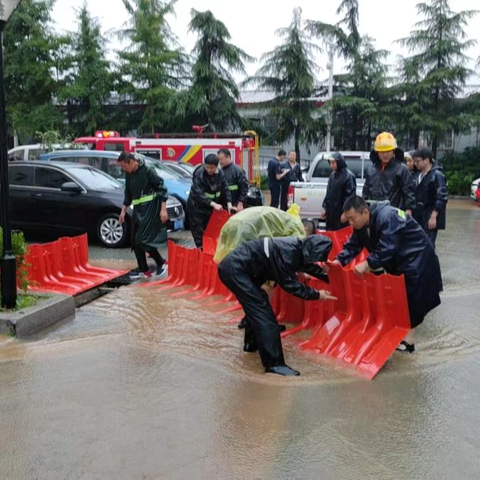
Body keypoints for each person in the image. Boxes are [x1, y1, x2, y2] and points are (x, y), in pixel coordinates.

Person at [331, 196, 443, 353]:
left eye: (352, 219)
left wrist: (368, 263)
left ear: (364, 212)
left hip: (418, 258)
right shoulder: (361, 225)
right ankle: (402, 338)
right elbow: (353, 245)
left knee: (412, 299)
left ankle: (408, 342)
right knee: (400, 299)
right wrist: (338, 260)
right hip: (402, 262)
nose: (350, 223)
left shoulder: (388, 216)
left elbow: (388, 247)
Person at [218, 235, 336, 376]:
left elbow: (302, 264)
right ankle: (274, 364)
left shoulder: (295, 246)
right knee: (264, 316)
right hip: (236, 271)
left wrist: (324, 274)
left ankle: (251, 344)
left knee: (256, 308)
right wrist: (317, 294)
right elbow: (289, 284)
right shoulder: (288, 251)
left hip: (238, 269)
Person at [117, 152, 169, 280]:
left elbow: (161, 188)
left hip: (151, 209)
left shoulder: (147, 170)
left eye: (124, 166)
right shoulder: (129, 175)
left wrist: (163, 209)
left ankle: (161, 262)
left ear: (131, 162)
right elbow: (128, 193)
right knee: (135, 241)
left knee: (142, 239)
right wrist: (123, 210)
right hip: (138, 210)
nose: (123, 169)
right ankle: (144, 270)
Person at [187, 154, 233, 249]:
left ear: (216, 166)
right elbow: (199, 194)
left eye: (212, 168)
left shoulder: (220, 174)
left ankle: (209, 251)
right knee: (198, 233)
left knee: (210, 231)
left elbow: (225, 188)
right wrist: (214, 204)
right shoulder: (199, 175)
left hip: (209, 208)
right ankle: (202, 252)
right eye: (207, 167)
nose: (209, 170)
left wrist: (229, 203)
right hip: (196, 208)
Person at [362, 132, 416, 214]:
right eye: (382, 152)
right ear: (377, 152)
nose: (385, 154)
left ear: (394, 151)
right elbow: (365, 192)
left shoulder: (402, 169)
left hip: (394, 214)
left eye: (388, 151)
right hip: (374, 213)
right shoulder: (371, 170)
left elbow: (409, 193)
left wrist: (409, 210)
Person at [412, 147, 448, 248]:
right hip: (418, 214)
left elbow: (442, 197)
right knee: (418, 243)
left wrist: (433, 216)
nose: (415, 163)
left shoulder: (437, 175)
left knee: (428, 245)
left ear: (426, 160)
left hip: (429, 214)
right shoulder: (417, 175)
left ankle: (430, 263)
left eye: (417, 161)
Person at [320, 152, 357, 230]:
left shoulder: (348, 176)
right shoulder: (332, 175)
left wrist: (346, 213)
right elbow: (328, 194)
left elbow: (350, 197)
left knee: (342, 234)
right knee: (330, 233)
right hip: (331, 212)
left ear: (339, 162)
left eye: (333, 163)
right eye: (330, 163)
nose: (331, 165)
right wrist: (325, 208)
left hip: (341, 212)